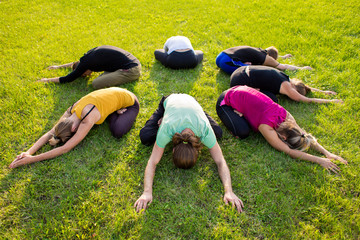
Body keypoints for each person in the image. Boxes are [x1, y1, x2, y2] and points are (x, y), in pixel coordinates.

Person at [134, 94, 244, 213]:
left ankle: (197, 112)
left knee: (217, 133)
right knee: (146, 137)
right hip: (170, 101)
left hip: (192, 103)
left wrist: (229, 191)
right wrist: (146, 192)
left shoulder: (204, 130)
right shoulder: (167, 130)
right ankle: (167, 113)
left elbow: (221, 161)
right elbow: (152, 162)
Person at [216, 86, 347, 173]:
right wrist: (319, 160)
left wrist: (327, 153)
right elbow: (289, 151)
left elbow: (304, 135)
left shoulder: (287, 116)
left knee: (249, 118)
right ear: (284, 138)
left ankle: (243, 112)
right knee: (243, 133)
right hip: (226, 99)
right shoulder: (266, 127)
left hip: (243, 90)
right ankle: (237, 112)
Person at [9, 87, 139, 168]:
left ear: (73, 129)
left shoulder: (87, 118)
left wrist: (32, 160)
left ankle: (116, 111)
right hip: (113, 92)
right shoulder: (70, 110)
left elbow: (65, 148)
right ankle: (113, 110)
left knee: (118, 131)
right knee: (105, 117)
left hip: (131, 101)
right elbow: (51, 132)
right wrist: (29, 152)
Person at [38, 45, 141, 89]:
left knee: (96, 83)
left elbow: (67, 79)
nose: (86, 75)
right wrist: (58, 67)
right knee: (102, 77)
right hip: (132, 60)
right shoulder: (88, 56)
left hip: (132, 70)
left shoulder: (86, 64)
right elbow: (76, 64)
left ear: (83, 70)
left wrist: (46, 80)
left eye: (83, 74)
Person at [230, 65, 343, 104]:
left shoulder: (286, 78)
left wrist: (322, 92)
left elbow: (305, 87)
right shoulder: (287, 87)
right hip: (238, 81)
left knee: (271, 95)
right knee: (272, 99)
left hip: (240, 70)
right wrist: (330, 101)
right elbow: (304, 99)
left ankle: (255, 88)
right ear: (294, 90)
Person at [216, 45, 312, 74]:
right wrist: (302, 68)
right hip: (227, 62)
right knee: (251, 69)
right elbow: (282, 67)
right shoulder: (263, 57)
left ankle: (242, 64)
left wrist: (284, 57)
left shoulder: (259, 51)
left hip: (220, 56)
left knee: (249, 65)